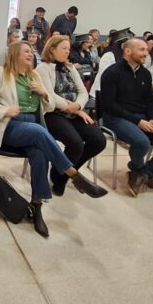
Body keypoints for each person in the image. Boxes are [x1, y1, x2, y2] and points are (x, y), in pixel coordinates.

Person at [0, 41, 84, 237]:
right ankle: (71, 172)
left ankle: (37, 206)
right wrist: (4, 110)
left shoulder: (35, 76)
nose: (31, 54)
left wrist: (43, 93)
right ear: (14, 54)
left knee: (39, 153)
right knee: (38, 132)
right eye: (26, 51)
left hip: (33, 126)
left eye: (31, 52)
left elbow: (50, 107)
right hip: (8, 125)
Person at [100, 38, 153, 196]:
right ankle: (138, 169)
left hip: (142, 116)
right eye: (142, 49)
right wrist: (138, 121)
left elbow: (149, 101)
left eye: (147, 50)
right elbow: (109, 105)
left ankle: (144, 173)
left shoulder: (145, 74)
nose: (146, 53)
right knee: (142, 142)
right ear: (128, 51)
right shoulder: (112, 72)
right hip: (116, 117)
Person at [36, 36, 107, 198]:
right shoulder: (43, 68)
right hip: (53, 114)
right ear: (52, 49)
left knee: (98, 141)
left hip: (74, 111)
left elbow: (83, 92)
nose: (67, 51)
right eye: (63, 48)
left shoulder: (70, 67)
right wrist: (74, 109)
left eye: (68, 48)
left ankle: (61, 173)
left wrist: (79, 106)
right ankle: (60, 179)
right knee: (76, 144)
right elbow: (50, 96)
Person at [90, 27, 134, 98]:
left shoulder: (128, 57)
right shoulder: (109, 55)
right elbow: (105, 76)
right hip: (103, 92)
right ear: (122, 44)